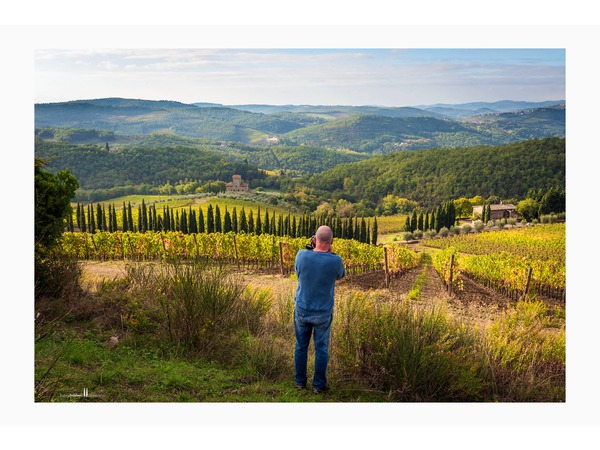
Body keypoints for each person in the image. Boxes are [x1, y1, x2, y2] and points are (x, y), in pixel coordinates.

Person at [293, 225, 346, 393]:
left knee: (301, 346)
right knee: (321, 349)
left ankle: (300, 382)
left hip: (302, 309)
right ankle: (318, 385)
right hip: (323, 313)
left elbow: (298, 272)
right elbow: (341, 275)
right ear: (331, 242)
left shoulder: (301, 255)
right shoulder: (336, 260)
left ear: (314, 239)